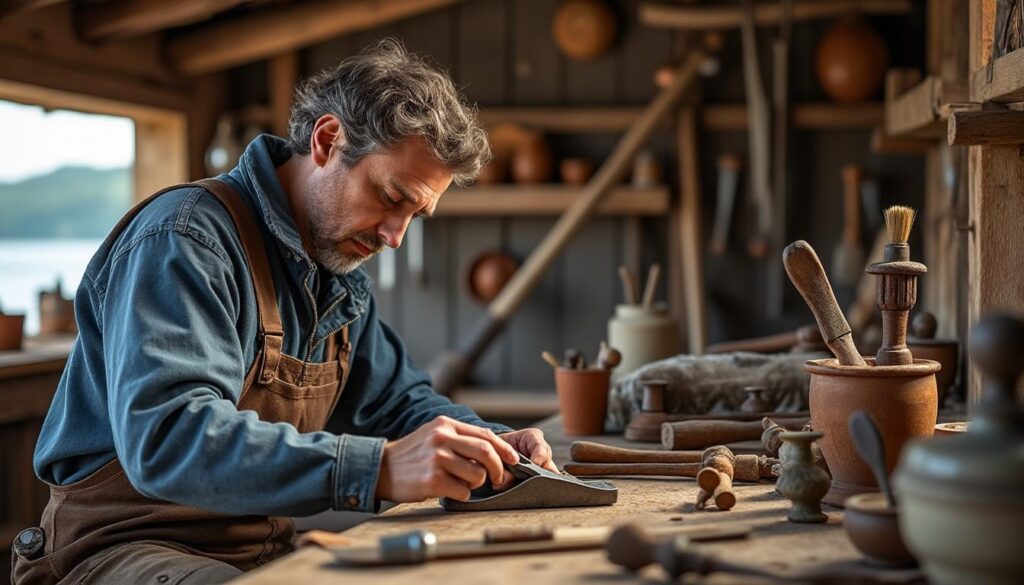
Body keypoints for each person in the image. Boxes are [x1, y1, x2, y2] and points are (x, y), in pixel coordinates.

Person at [13, 39, 556, 584]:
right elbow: (169, 438)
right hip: (120, 550)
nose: (395, 237)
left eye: (417, 214)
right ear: (327, 141)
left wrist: (489, 446)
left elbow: (399, 404)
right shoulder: (185, 241)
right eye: (392, 197)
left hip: (259, 551)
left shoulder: (333, 275)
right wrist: (383, 468)